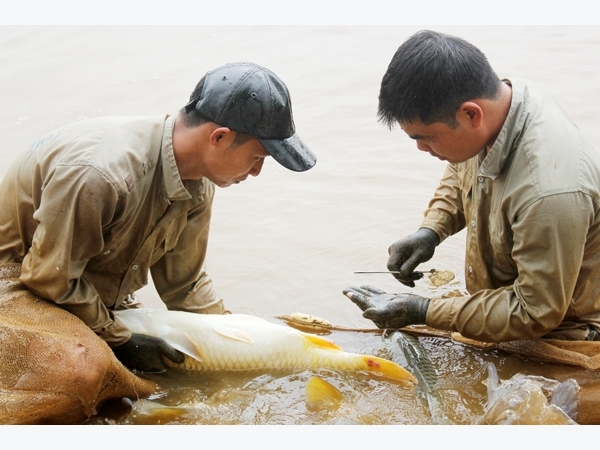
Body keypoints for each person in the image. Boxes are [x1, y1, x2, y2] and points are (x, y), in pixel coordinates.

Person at [0, 62, 316, 372]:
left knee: (180, 368)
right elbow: (48, 276)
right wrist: (122, 340)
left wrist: (236, 337)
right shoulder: (102, 175)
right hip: (20, 282)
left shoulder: (199, 182)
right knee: (87, 372)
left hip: (87, 287)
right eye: (258, 158)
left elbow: (185, 285)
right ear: (218, 137)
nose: (257, 172)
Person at [343, 30, 600, 343]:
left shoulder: (549, 192)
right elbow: (461, 167)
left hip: (563, 330)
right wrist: (432, 230)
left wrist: (423, 310)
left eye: (426, 138)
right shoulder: (499, 108)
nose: (422, 150)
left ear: (470, 114)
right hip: (511, 309)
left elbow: (534, 311)